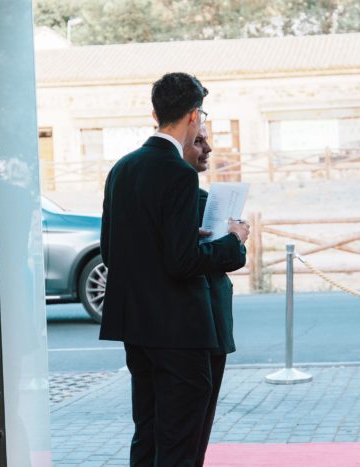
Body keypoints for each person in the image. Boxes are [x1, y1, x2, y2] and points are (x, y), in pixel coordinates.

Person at [100, 72, 250, 466]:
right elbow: (181, 262)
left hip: (137, 328)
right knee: (180, 444)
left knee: (147, 436)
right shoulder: (179, 173)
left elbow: (111, 250)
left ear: (155, 113)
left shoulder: (122, 168)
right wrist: (231, 242)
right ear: (193, 116)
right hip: (180, 333)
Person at [183, 125, 248, 465]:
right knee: (197, 421)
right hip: (206, 319)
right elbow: (232, 258)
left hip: (204, 319)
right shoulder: (197, 200)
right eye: (198, 141)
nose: (207, 148)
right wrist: (236, 237)